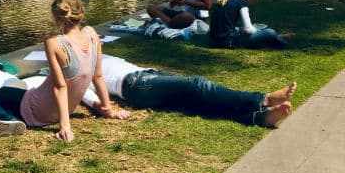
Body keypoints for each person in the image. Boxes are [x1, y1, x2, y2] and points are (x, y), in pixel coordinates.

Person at [0, 0, 127, 139]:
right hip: (59, 110)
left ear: (57, 17)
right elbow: (98, 76)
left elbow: (60, 87)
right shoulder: (92, 35)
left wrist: (65, 127)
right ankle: (8, 115)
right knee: (7, 93)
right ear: (81, 12)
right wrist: (108, 109)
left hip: (35, 108)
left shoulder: (53, 42)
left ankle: (7, 119)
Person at [81, 54, 295, 128]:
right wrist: (107, 109)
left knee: (196, 101)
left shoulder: (91, 47)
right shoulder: (77, 70)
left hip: (147, 75)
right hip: (135, 86)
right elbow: (87, 95)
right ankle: (262, 99)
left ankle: (258, 118)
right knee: (196, 85)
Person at [209, 0, 293, 49]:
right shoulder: (242, 3)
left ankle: (278, 37)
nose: (255, 2)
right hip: (228, 43)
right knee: (270, 32)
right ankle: (282, 41)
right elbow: (248, 30)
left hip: (214, 40)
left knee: (259, 32)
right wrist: (259, 31)